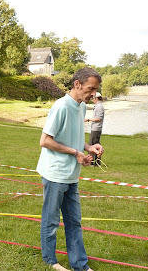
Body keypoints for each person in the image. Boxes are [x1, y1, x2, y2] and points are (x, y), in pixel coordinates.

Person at [36, 68, 104, 271]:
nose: (93, 94)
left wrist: (88, 147)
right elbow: (45, 141)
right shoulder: (61, 107)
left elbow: (73, 136)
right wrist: (76, 153)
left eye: (96, 90)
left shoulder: (81, 107)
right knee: (51, 221)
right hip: (55, 173)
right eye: (91, 89)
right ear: (77, 84)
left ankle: (80, 265)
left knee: (74, 221)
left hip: (71, 175)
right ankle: (50, 261)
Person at [85, 92, 104, 165]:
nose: (92, 99)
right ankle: (96, 162)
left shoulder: (99, 107)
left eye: (93, 98)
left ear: (96, 98)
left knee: (92, 145)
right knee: (96, 144)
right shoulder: (98, 106)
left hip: (96, 128)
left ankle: (93, 162)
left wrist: (89, 119)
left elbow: (99, 118)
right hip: (95, 128)